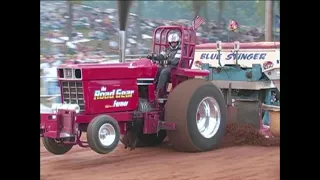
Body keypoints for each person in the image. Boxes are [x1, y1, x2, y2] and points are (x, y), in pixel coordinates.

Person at [147, 33, 182, 98]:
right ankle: (154, 88)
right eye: (172, 43)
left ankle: (160, 91)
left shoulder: (179, 50)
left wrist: (167, 62)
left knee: (164, 72)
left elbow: (175, 61)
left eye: (174, 43)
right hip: (168, 66)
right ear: (169, 43)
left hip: (175, 67)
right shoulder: (167, 49)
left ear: (177, 42)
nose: (173, 44)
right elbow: (161, 56)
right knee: (158, 70)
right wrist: (154, 57)